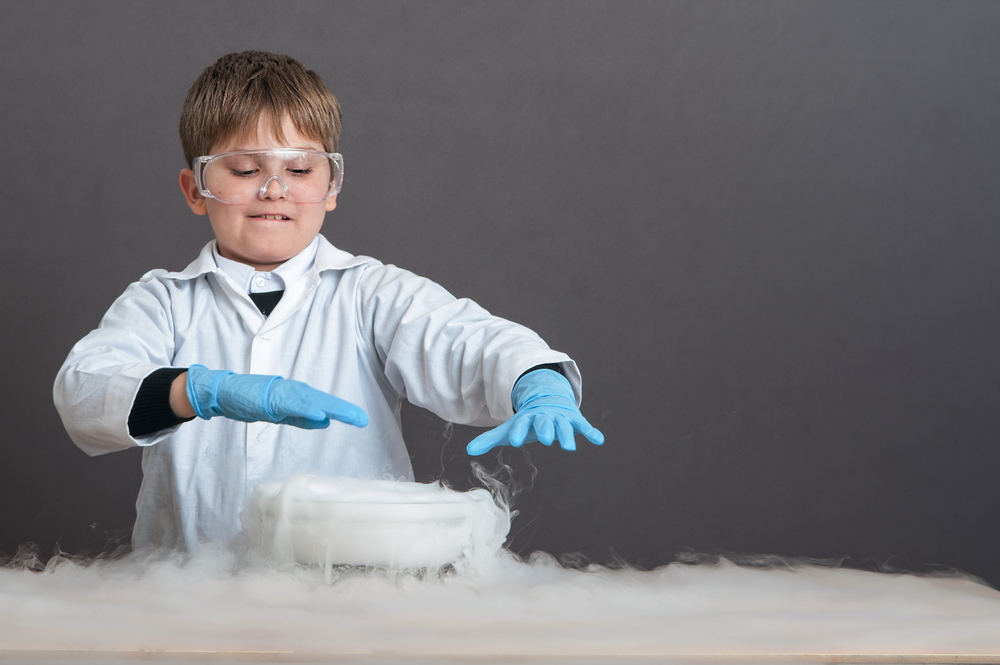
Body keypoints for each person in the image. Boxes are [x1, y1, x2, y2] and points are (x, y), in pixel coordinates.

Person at [53, 51, 604, 553]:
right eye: (245, 170)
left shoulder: (371, 292)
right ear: (196, 189)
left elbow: (462, 339)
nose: (274, 190)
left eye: (299, 170)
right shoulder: (162, 302)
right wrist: (201, 390)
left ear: (332, 186)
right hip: (188, 598)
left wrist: (535, 380)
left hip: (351, 599)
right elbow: (84, 392)